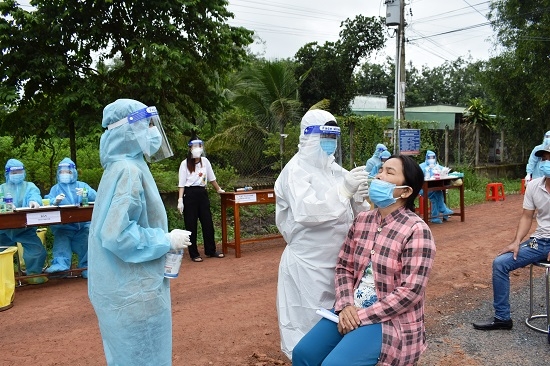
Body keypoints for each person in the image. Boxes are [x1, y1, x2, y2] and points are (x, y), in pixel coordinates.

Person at [292, 154, 436, 366]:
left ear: (405, 191)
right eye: (380, 170)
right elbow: (343, 267)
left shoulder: (416, 230)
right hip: (350, 308)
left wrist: (361, 316)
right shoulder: (362, 220)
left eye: (389, 172)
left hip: (391, 319)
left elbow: (409, 292)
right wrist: (346, 305)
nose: (379, 176)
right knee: (304, 353)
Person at [88, 99, 191, 365]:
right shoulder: (128, 171)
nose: (152, 132)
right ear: (127, 131)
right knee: (143, 357)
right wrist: (165, 240)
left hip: (127, 285)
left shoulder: (122, 166)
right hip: (135, 290)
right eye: (146, 125)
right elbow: (116, 234)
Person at [275, 109, 371, 360]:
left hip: (339, 265)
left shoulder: (333, 169)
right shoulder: (295, 171)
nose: (330, 141)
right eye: (325, 135)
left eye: (334, 136)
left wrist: (359, 198)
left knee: (337, 321)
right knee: (307, 324)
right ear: (308, 136)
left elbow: (353, 213)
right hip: (308, 265)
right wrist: (343, 191)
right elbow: (307, 213)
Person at [473, 145, 550, 333]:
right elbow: (526, 217)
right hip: (539, 242)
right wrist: (516, 241)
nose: (546, 163)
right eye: (544, 159)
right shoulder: (534, 186)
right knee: (501, 262)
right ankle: (502, 318)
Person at [44, 158, 97, 278]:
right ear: (58, 173)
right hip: (64, 227)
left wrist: (87, 193)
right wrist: (55, 200)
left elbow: (97, 197)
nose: (65, 174)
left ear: (74, 172)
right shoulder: (55, 189)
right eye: (62, 172)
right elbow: (47, 200)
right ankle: (60, 267)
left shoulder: (82, 185)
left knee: (87, 241)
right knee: (61, 241)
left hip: (83, 226)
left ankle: (87, 267)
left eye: (68, 172)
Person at [177, 136, 225, 262]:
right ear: (190, 148)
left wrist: (219, 189)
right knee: (191, 224)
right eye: (195, 146)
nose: (197, 148)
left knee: (207, 222)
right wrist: (180, 200)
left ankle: (210, 250)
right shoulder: (184, 163)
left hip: (202, 193)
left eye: (200, 146)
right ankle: (194, 253)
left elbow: (211, 178)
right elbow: (181, 183)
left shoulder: (205, 161)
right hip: (190, 194)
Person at [0, 158, 47, 285]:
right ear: (7, 173)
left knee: (37, 250)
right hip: (4, 230)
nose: (17, 175)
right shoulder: (2, 188)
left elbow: (35, 195)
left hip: (25, 228)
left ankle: (33, 274)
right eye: (14, 172)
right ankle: (5, 279)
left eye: (19, 171)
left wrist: (35, 202)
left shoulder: (30, 186)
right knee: (1, 254)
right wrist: (4, 205)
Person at [419, 150, 454, 224]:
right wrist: (425, 171)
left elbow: (445, 170)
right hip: (423, 189)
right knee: (438, 193)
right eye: (429, 158)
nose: (431, 160)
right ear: (426, 158)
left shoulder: (437, 166)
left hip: (434, 188)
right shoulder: (421, 166)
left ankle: (435, 218)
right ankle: (443, 209)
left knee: (436, 196)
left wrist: (443, 171)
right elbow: (417, 177)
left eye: (433, 158)